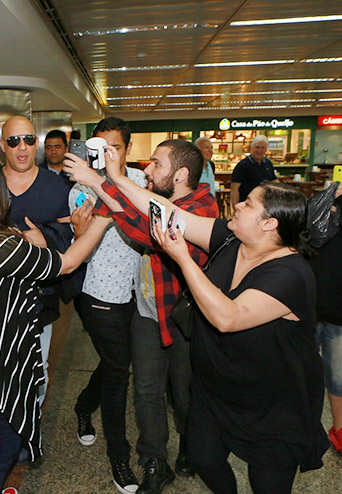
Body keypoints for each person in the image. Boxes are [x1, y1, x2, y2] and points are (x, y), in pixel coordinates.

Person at [128, 180, 327, 494]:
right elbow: (172, 212)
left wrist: (182, 257)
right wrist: (111, 178)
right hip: (218, 391)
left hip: (273, 406)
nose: (237, 205)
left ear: (269, 223)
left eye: (248, 203)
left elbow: (227, 317)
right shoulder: (232, 240)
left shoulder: (291, 274)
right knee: (202, 457)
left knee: (268, 486)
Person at [0, 164, 112, 494]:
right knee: (0, 451)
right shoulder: (1, 248)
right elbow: (67, 263)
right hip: (0, 371)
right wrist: (100, 221)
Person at [65, 140, 218, 494]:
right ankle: (154, 462)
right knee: (147, 390)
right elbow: (134, 217)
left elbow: (152, 230)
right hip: (148, 311)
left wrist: (103, 178)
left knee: (183, 392)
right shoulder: (158, 200)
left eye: (157, 165)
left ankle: (189, 446)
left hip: (184, 317)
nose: (147, 170)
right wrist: (104, 187)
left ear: (180, 174)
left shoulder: (201, 208)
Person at [70, 117, 145, 494]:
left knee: (118, 363)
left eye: (113, 147)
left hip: (142, 294)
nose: (105, 154)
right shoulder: (81, 186)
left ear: (126, 150)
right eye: (99, 146)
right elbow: (83, 249)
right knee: (119, 373)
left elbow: (142, 220)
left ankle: (84, 405)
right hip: (102, 295)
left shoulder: (141, 182)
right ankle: (120, 457)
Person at [0, 116, 73, 408]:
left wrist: (45, 237)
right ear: (2, 145)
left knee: (37, 366)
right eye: (14, 140)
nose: (22, 147)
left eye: (28, 139)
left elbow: (71, 230)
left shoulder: (57, 188)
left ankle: (30, 419)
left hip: (39, 298)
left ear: (36, 143)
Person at [309, 182, 342, 454]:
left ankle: (339, 429)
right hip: (312, 301)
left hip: (339, 311)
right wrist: (330, 196)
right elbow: (312, 235)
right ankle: (302, 424)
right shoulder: (327, 198)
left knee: (337, 377)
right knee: (299, 371)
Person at [231, 135, 276, 207]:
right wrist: (235, 207)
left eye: (262, 148)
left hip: (264, 204)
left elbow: (274, 181)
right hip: (247, 205)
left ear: (266, 150)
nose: (259, 150)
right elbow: (234, 188)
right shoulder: (242, 165)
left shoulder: (268, 163)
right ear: (251, 148)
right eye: (257, 147)